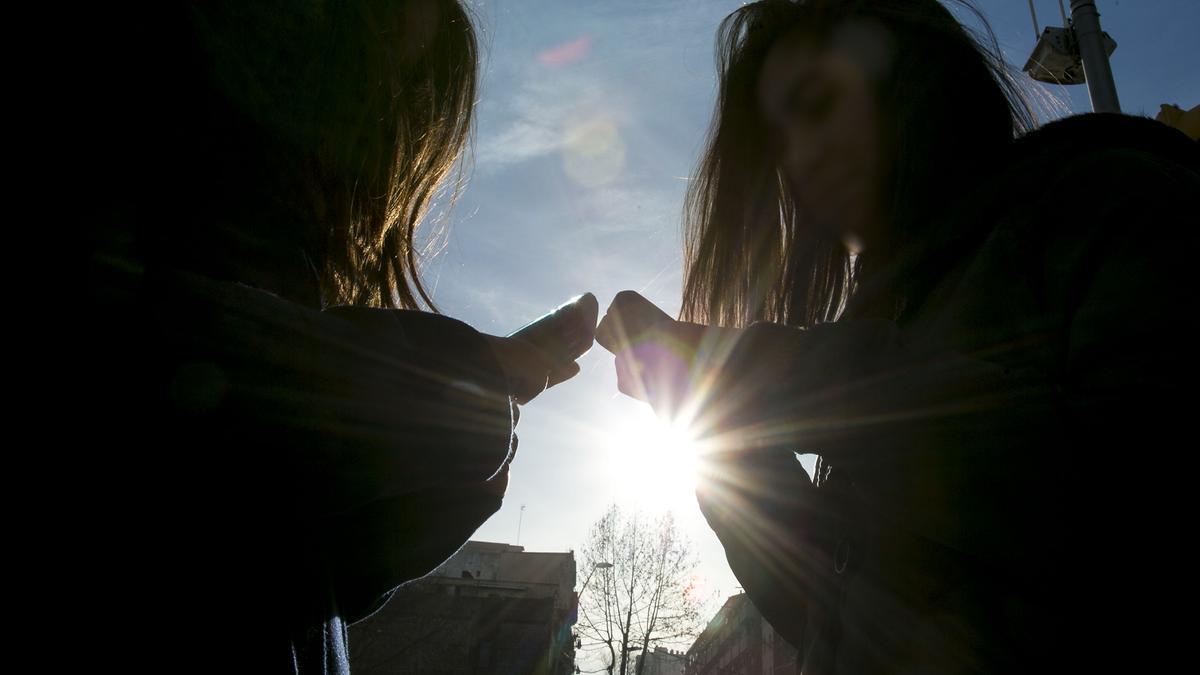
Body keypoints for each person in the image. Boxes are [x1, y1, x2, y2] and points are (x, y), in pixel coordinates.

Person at [595, 1, 1200, 673]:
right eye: (780, 142)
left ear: (916, 76)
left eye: (819, 102)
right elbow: (832, 609)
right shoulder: (885, 321)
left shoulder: (1109, 202)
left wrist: (754, 371)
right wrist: (713, 430)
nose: (799, 160)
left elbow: (1126, 507)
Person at [80, 1, 584, 672]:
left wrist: (446, 481)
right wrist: (456, 392)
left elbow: (274, 567)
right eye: (372, 33)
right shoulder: (138, 203)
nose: (379, 106)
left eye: (406, 88)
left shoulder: (267, 269)